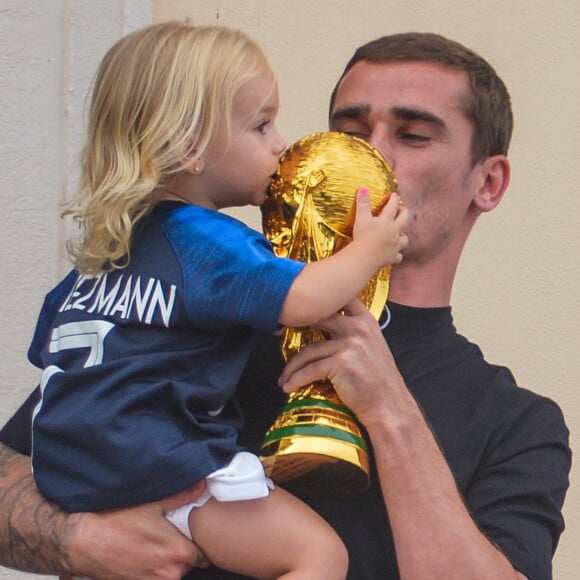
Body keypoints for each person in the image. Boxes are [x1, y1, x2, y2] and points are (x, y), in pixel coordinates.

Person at [0, 31, 571, 580]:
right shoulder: (212, 302)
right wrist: (76, 541)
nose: (367, 151)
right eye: (347, 129)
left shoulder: (517, 421)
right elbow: (28, 456)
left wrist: (388, 410)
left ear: (488, 183)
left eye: (414, 135)